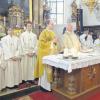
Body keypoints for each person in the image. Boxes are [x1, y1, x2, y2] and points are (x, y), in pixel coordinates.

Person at [34, 19, 58, 91]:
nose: (53, 25)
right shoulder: (43, 32)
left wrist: (55, 43)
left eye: (53, 24)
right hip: (45, 55)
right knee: (45, 72)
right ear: (48, 24)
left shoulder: (53, 33)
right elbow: (41, 44)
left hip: (51, 55)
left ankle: (50, 86)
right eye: (52, 24)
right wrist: (52, 42)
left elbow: (54, 44)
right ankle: (44, 87)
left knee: (51, 70)